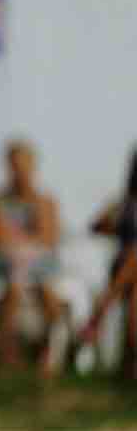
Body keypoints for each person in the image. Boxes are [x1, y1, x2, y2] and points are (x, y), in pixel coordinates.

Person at [0, 140, 64, 373]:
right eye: (16, 165)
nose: (20, 172)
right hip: (8, 263)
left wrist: (31, 206)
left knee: (44, 288)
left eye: (25, 166)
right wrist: (28, 240)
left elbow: (49, 237)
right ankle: (9, 353)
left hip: (37, 264)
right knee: (15, 283)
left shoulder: (44, 201)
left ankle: (50, 350)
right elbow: (0, 238)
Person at [82, 149, 137, 374]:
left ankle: (98, 315)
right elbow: (95, 225)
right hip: (123, 269)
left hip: (124, 272)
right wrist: (114, 225)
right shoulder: (124, 203)